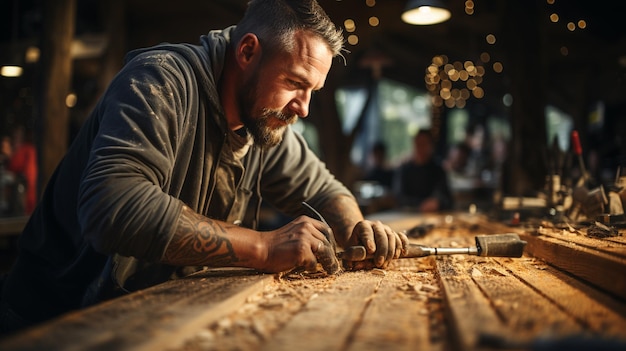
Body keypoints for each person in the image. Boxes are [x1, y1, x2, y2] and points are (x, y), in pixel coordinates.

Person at [0, 0, 410, 334]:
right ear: (247, 52)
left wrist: (357, 229)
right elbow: (112, 206)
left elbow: (325, 190)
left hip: (147, 320)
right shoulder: (160, 82)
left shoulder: (264, 122)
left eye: (312, 91)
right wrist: (265, 247)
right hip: (52, 324)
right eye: (294, 83)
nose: (302, 107)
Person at [393, 129, 453, 212]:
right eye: (418, 144)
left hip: (433, 217)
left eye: (424, 144)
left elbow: (447, 198)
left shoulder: (438, 170)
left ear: (431, 146)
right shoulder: (404, 170)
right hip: (408, 216)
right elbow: (399, 198)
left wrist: (438, 202)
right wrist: (421, 204)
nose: (420, 148)